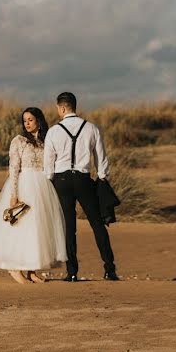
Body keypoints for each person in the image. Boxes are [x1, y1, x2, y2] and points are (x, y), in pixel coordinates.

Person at [0, 107, 67, 284]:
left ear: (39, 121)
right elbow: (13, 168)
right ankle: (13, 267)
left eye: (30, 120)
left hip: (42, 186)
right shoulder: (19, 141)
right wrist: (14, 194)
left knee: (38, 228)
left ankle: (31, 270)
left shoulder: (46, 141)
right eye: (24, 120)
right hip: (24, 184)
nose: (27, 123)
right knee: (20, 226)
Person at [44, 92, 119, 282]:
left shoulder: (53, 131)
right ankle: (109, 269)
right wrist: (102, 178)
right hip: (84, 180)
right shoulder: (92, 128)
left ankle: (72, 272)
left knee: (69, 228)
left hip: (61, 181)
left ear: (61, 108)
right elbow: (101, 160)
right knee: (97, 225)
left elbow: (48, 165)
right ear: (74, 106)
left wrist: (49, 181)